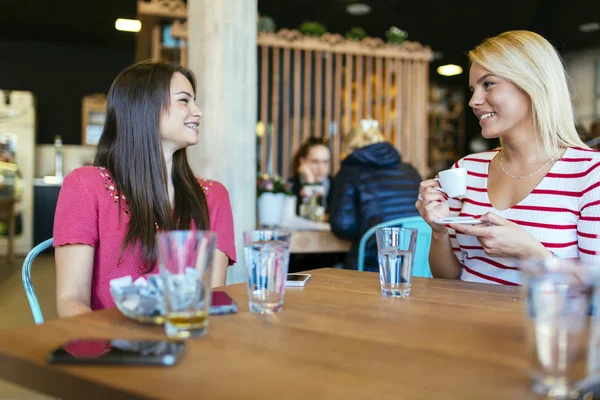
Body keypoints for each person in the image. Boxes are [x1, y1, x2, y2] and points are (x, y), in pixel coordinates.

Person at [416, 30, 600, 286]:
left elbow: (595, 293)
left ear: (533, 84)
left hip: (542, 325)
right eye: (473, 89)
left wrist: (530, 252)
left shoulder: (590, 173)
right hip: (465, 322)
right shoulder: (468, 168)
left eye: (488, 84)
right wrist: (438, 231)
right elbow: (448, 277)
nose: (473, 101)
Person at [53, 62, 236, 317]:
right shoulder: (85, 185)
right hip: (112, 348)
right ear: (144, 107)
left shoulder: (213, 196)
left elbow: (212, 300)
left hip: (188, 343)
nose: (198, 111)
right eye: (184, 100)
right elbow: (70, 300)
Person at [329, 120, 422, 271]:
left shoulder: (349, 171)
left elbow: (343, 225)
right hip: (417, 260)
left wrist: (368, 224)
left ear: (351, 148)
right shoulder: (410, 170)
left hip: (375, 261)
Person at [288, 137, 332, 215]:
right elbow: (312, 216)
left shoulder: (337, 185)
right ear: (302, 161)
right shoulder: (290, 187)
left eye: (325, 162)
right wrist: (310, 182)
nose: (320, 167)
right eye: (315, 161)